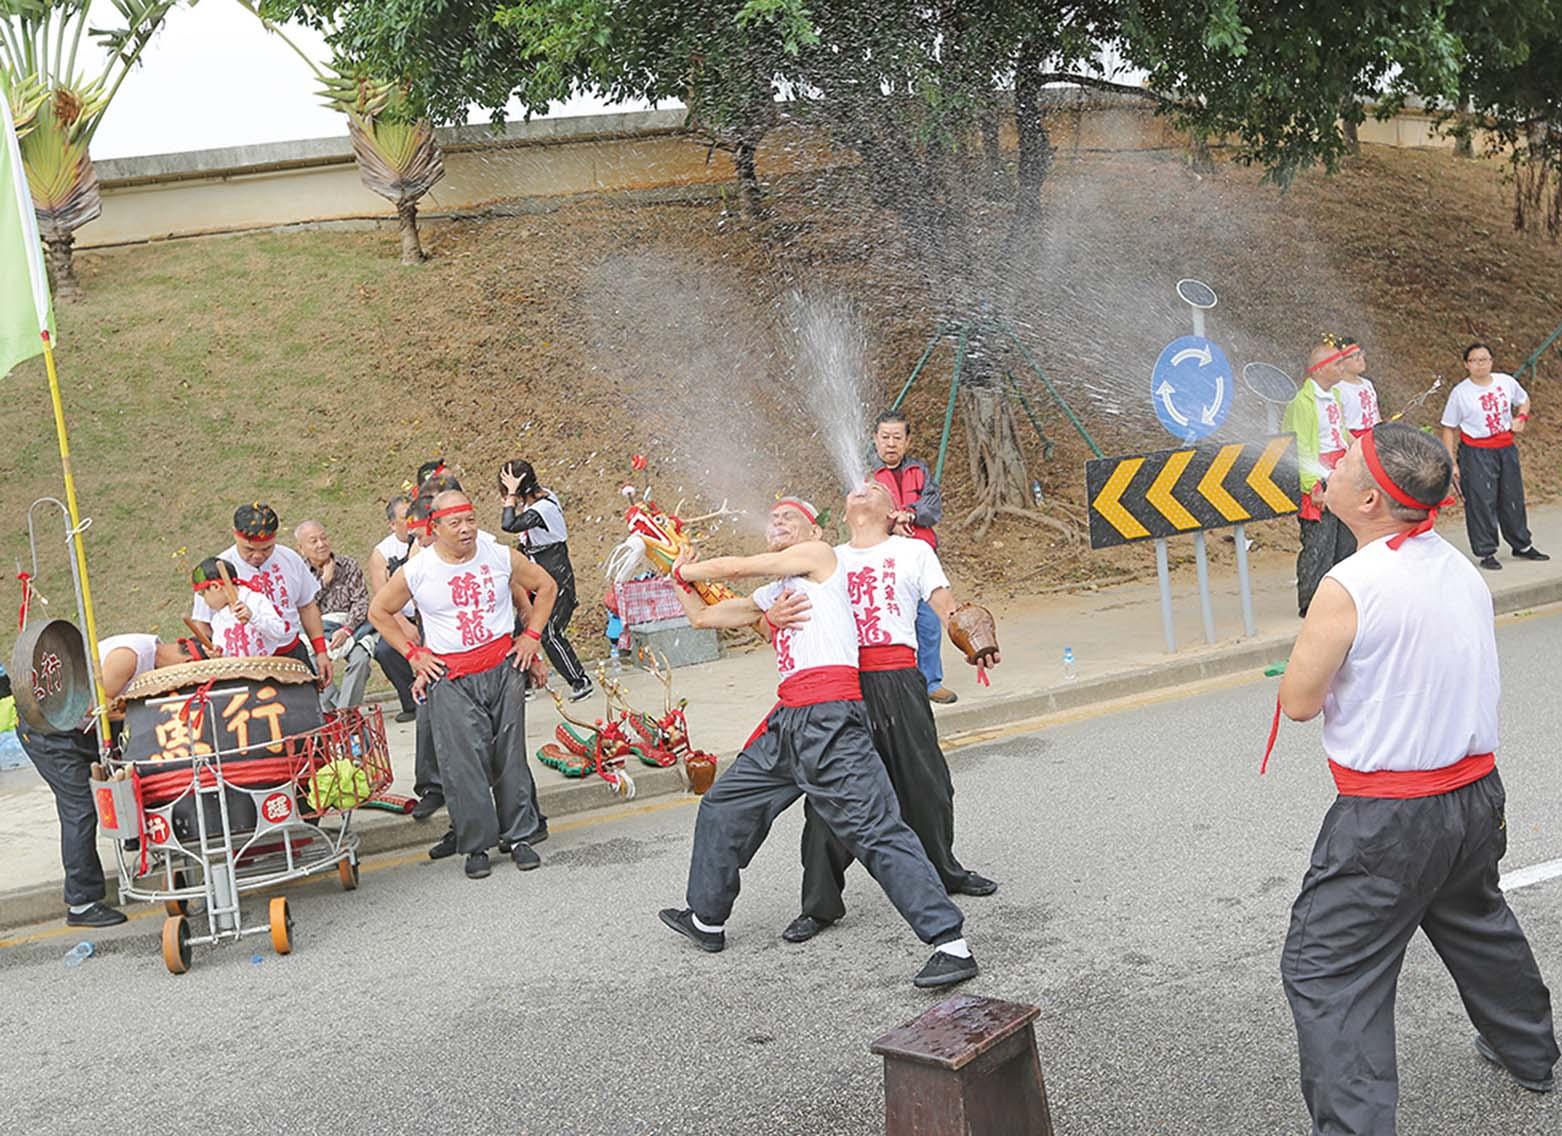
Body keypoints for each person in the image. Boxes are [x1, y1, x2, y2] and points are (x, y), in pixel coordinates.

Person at [1275, 423, 1558, 1132]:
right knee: (1475, 919)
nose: (1331, 462)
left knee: (1329, 970)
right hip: (1475, 798)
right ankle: (1531, 1054)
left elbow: (1299, 702)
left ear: (1369, 499)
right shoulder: (1457, 567)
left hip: (1390, 818)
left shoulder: (1349, 585)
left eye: (1345, 460)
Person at [658, 497, 979, 989]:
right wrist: (675, 580)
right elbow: (705, 617)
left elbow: (741, 566)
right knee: (724, 805)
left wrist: (688, 566)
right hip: (787, 721)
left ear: (814, 531)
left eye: (790, 516)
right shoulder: (776, 592)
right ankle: (706, 918)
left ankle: (950, 944)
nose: (777, 520)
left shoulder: (821, 557)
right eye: (773, 518)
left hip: (830, 718)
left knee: (875, 829)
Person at [783, 480, 999, 944]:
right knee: (830, 797)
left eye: (874, 488)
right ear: (844, 514)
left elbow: (945, 605)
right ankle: (818, 905)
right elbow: (782, 606)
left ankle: (943, 871)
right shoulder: (826, 557)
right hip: (841, 685)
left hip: (898, 677)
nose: (862, 489)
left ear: (892, 510)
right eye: (855, 490)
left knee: (927, 783)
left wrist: (973, 640)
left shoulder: (913, 552)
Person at [369, 489, 557, 879]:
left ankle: (520, 837)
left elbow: (547, 587)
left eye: (470, 520)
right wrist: (413, 654)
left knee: (509, 756)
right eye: (455, 523)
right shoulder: (418, 569)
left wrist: (531, 637)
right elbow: (379, 611)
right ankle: (476, 846)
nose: (466, 529)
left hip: (502, 668)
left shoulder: (499, 555)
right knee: (463, 762)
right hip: (451, 676)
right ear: (435, 528)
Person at [17, 633, 198, 927]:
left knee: (135, 770)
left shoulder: (151, 655)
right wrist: (140, 710)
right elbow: (94, 707)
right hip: (50, 730)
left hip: (79, 728)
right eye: (186, 674)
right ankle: (82, 903)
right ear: (186, 659)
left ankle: (135, 840)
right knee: (80, 808)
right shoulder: (130, 656)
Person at [190, 503, 333, 685]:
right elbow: (202, 623)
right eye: (249, 549)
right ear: (235, 534)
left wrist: (321, 652)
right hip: (246, 666)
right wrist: (211, 652)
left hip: (291, 654)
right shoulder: (217, 569)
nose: (258, 556)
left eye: (266, 549)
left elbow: (307, 606)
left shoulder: (289, 558)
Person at [1439, 342, 1549, 571]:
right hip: (1476, 452)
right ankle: (1486, 550)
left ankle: (1522, 544)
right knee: (1481, 500)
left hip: (1505, 447)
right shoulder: (1461, 393)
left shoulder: (1505, 382)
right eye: (1474, 361)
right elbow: (1449, 427)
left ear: (1491, 361)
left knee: (1512, 495)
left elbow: (1524, 400)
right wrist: (1451, 461)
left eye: (1484, 359)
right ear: (1466, 364)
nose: (1480, 364)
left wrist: (1522, 417)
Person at [870, 409, 955, 705]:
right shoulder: (867, 477)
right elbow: (860, 515)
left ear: (907, 441)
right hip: (885, 563)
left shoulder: (919, 470)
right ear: (875, 440)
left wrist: (910, 514)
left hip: (921, 559)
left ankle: (931, 682)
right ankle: (901, 687)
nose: (890, 444)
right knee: (894, 626)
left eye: (897, 437)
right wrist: (890, 524)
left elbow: (933, 508)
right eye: (885, 437)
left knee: (929, 623)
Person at [500, 459, 592, 702]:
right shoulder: (535, 502)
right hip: (536, 570)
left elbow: (508, 524)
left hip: (555, 571)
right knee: (519, 627)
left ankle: (580, 681)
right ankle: (523, 685)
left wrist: (510, 496)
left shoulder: (544, 507)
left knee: (549, 631)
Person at [1283, 343, 1356, 616]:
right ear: (1319, 369)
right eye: (1337, 363)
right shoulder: (1302, 403)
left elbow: (1341, 432)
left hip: (1341, 473)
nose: (1342, 367)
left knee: (1346, 540)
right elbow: (1300, 447)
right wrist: (1312, 485)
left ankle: (1341, 596)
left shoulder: (1335, 395)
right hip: (1317, 477)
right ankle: (1312, 603)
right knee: (1319, 543)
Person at [295, 520, 374, 709]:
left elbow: (361, 602)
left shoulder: (348, 565)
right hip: (315, 631)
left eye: (323, 538)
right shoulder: (298, 572)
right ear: (301, 548)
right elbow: (303, 607)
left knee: (361, 660)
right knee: (311, 664)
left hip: (350, 627)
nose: (321, 544)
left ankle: (343, 712)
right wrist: (324, 582)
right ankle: (342, 711)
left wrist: (347, 629)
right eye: (313, 541)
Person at [369, 496, 419, 722]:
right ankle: (411, 702)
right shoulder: (382, 552)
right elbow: (382, 598)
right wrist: (404, 626)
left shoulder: (427, 541)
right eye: (405, 518)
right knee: (385, 651)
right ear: (392, 524)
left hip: (429, 614)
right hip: (400, 617)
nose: (412, 521)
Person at [190, 556, 292, 656]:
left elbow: (280, 631)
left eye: (203, 594)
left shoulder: (255, 600)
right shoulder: (218, 619)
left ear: (215, 586)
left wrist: (253, 617)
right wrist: (216, 653)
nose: (205, 601)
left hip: (264, 664)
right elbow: (223, 651)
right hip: (236, 666)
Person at [1333, 336, 1382, 439]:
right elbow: (1340, 427)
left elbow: (1376, 417)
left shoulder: (1367, 384)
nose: (1360, 359)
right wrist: (1357, 445)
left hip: (1375, 436)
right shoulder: (1337, 389)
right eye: (1354, 356)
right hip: (1354, 440)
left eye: (1360, 354)